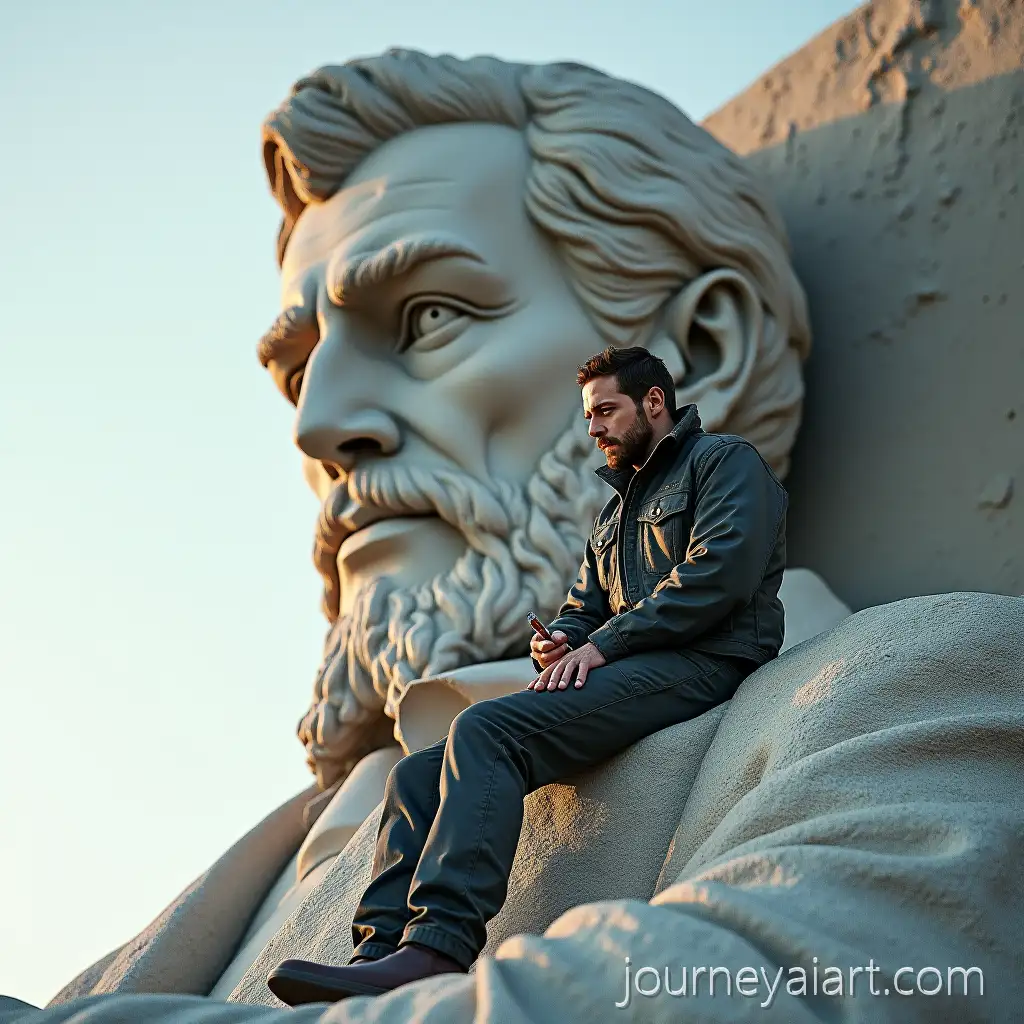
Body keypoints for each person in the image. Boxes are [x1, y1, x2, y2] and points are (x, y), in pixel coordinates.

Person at [266, 345, 788, 1005]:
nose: (593, 427)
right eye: (588, 414)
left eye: (606, 411)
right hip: (631, 668)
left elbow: (723, 572)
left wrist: (604, 645)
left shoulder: (723, 462)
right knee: (414, 774)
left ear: (655, 403)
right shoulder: (615, 513)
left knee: (486, 730)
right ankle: (378, 957)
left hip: (704, 662)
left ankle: (437, 948)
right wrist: (563, 640)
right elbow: (583, 607)